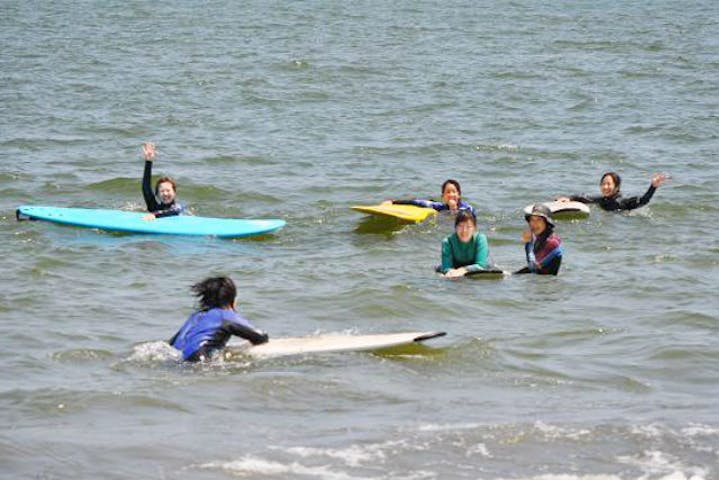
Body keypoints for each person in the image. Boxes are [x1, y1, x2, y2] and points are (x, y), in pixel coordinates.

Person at [169, 276, 269, 362]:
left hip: (176, 359)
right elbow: (261, 337)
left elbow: (172, 343)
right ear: (232, 300)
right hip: (198, 361)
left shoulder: (196, 316)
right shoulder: (225, 316)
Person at [556, 172, 668, 212]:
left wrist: (653, 187)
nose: (605, 187)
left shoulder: (623, 201)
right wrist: (569, 198)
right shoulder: (602, 199)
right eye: (603, 183)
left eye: (609, 184)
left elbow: (643, 201)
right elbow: (584, 197)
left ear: (616, 187)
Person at [437, 210, 489, 278]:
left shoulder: (480, 239)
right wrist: (451, 273)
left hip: (472, 269)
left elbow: (481, 265)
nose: (464, 230)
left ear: (474, 229)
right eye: (460, 226)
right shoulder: (447, 242)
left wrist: (463, 270)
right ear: (455, 227)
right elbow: (446, 268)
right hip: (454, 269)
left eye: (469, 227)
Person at [141, 142, 186, 220]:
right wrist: (148, 161)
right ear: (157, 195)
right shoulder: (153, 207)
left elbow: (173, 212)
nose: (165, 193)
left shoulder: (178, 207)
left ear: (174, 192)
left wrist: (155, 216)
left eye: (168, 190)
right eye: (162, 191)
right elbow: (146, 187)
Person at [382, 179, 476, 215]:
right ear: (443, 196)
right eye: (447, 192)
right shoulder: (440, 207)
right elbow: (418, 202)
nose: (451, 195)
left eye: (454, 192)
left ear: (459, 194)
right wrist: (394, 202)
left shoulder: (467, 208)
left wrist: (454, 209)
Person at [516, 204, 562, 275]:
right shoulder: (539, 239)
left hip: (548, 284)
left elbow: (533, 267)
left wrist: (528, 244)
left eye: (539, 220)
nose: (534, 224)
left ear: (546, 223)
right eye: (532, 220)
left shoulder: (552, 242)